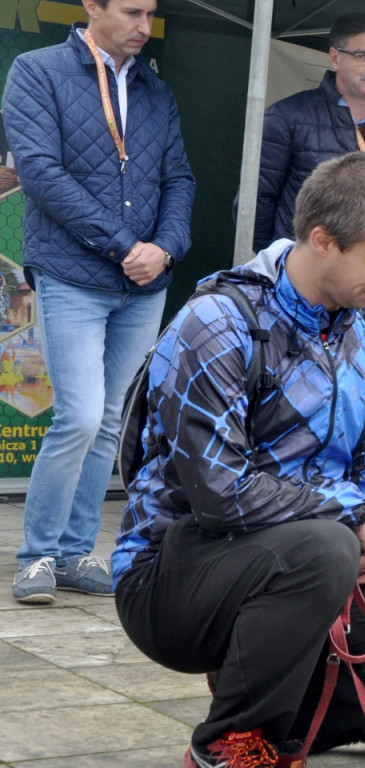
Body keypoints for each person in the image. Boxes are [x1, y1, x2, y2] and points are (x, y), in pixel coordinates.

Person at [112, 152, 365, 768]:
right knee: (327, 545)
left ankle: (290, 722)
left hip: (310, 565)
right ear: (323, 241)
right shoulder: (218, 322)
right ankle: (231, 744)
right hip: (171, 576)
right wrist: (347, 510)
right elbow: (219, 492)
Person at [3, 0, 195, 604]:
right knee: (80, 416)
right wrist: (125, 247)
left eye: (151, 14)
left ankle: (74, 552)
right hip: (72, 275)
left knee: (111, 422)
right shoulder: (37, 71)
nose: (145, 26)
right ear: (92, 6)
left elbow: (179, 179)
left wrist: (165, 247)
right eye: (133, 12)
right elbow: (39, 172)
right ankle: (35, 556)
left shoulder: (156, 91)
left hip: (144, 284)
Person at [251, 11, 365, 337]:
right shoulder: (288, 117)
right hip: (300, 300)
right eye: (362, 56)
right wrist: (282, 271)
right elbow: (255, 206)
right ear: (335, 57)